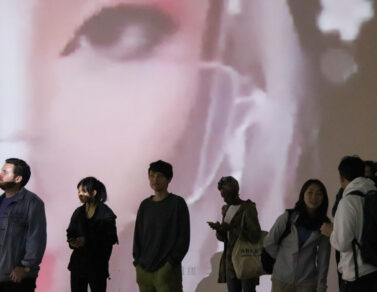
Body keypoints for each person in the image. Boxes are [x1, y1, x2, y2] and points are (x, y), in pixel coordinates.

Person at [321, 156, 377, 291]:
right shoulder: (373, 194)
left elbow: (342, 243)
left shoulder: (348, 202)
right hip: (374, 268)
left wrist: (330, 232)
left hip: (356, 275)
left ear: (341, 177)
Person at [264, 179, 331, 292]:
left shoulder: (324, 225)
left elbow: (323, 259)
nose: (314, 197)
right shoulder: (288, 217)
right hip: (281, 280)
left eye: (319, 194)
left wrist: (321, 286)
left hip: (307, 282)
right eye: (310, 192)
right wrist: (283, 258)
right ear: (303, 194)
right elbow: (269, 242)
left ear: (323, 198)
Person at [133, 160, 190, 292]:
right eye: (152, 176)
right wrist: (138, 264)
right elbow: (138, 236)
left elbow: (183, 238)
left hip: (167, 272)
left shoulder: (177, 203)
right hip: (144, 272)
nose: (155, 179)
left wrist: (170, 264)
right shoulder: (145, 205)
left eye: (160, 176)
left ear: (169, 179)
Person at [208, 176, 262, 292]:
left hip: (245, 259)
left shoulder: (248, 208)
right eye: (222, 196)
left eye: (226, 195)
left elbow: (255, 235)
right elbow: (225, 238)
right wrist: (219, 230)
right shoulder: (226, 209)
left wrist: (231, 228)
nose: (224, 199)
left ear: (234, 191)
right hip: (230, 262)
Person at [0, 158, 47, 292]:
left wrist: (25, 268)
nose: (0, 175)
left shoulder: (33, 203)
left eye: (5, 172)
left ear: (17, 179)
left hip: (16, 279)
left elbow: (36, 238)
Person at [67, 177, 118, 292]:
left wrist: (87, 240)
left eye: (83, 191)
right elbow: (70, 232)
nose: (80, 194)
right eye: (79, 192)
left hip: (97, 266)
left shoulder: (106, 213)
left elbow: (110, 238)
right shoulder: (78, 212)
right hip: (78, 265)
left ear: (93, 192)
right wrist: (72, 242)